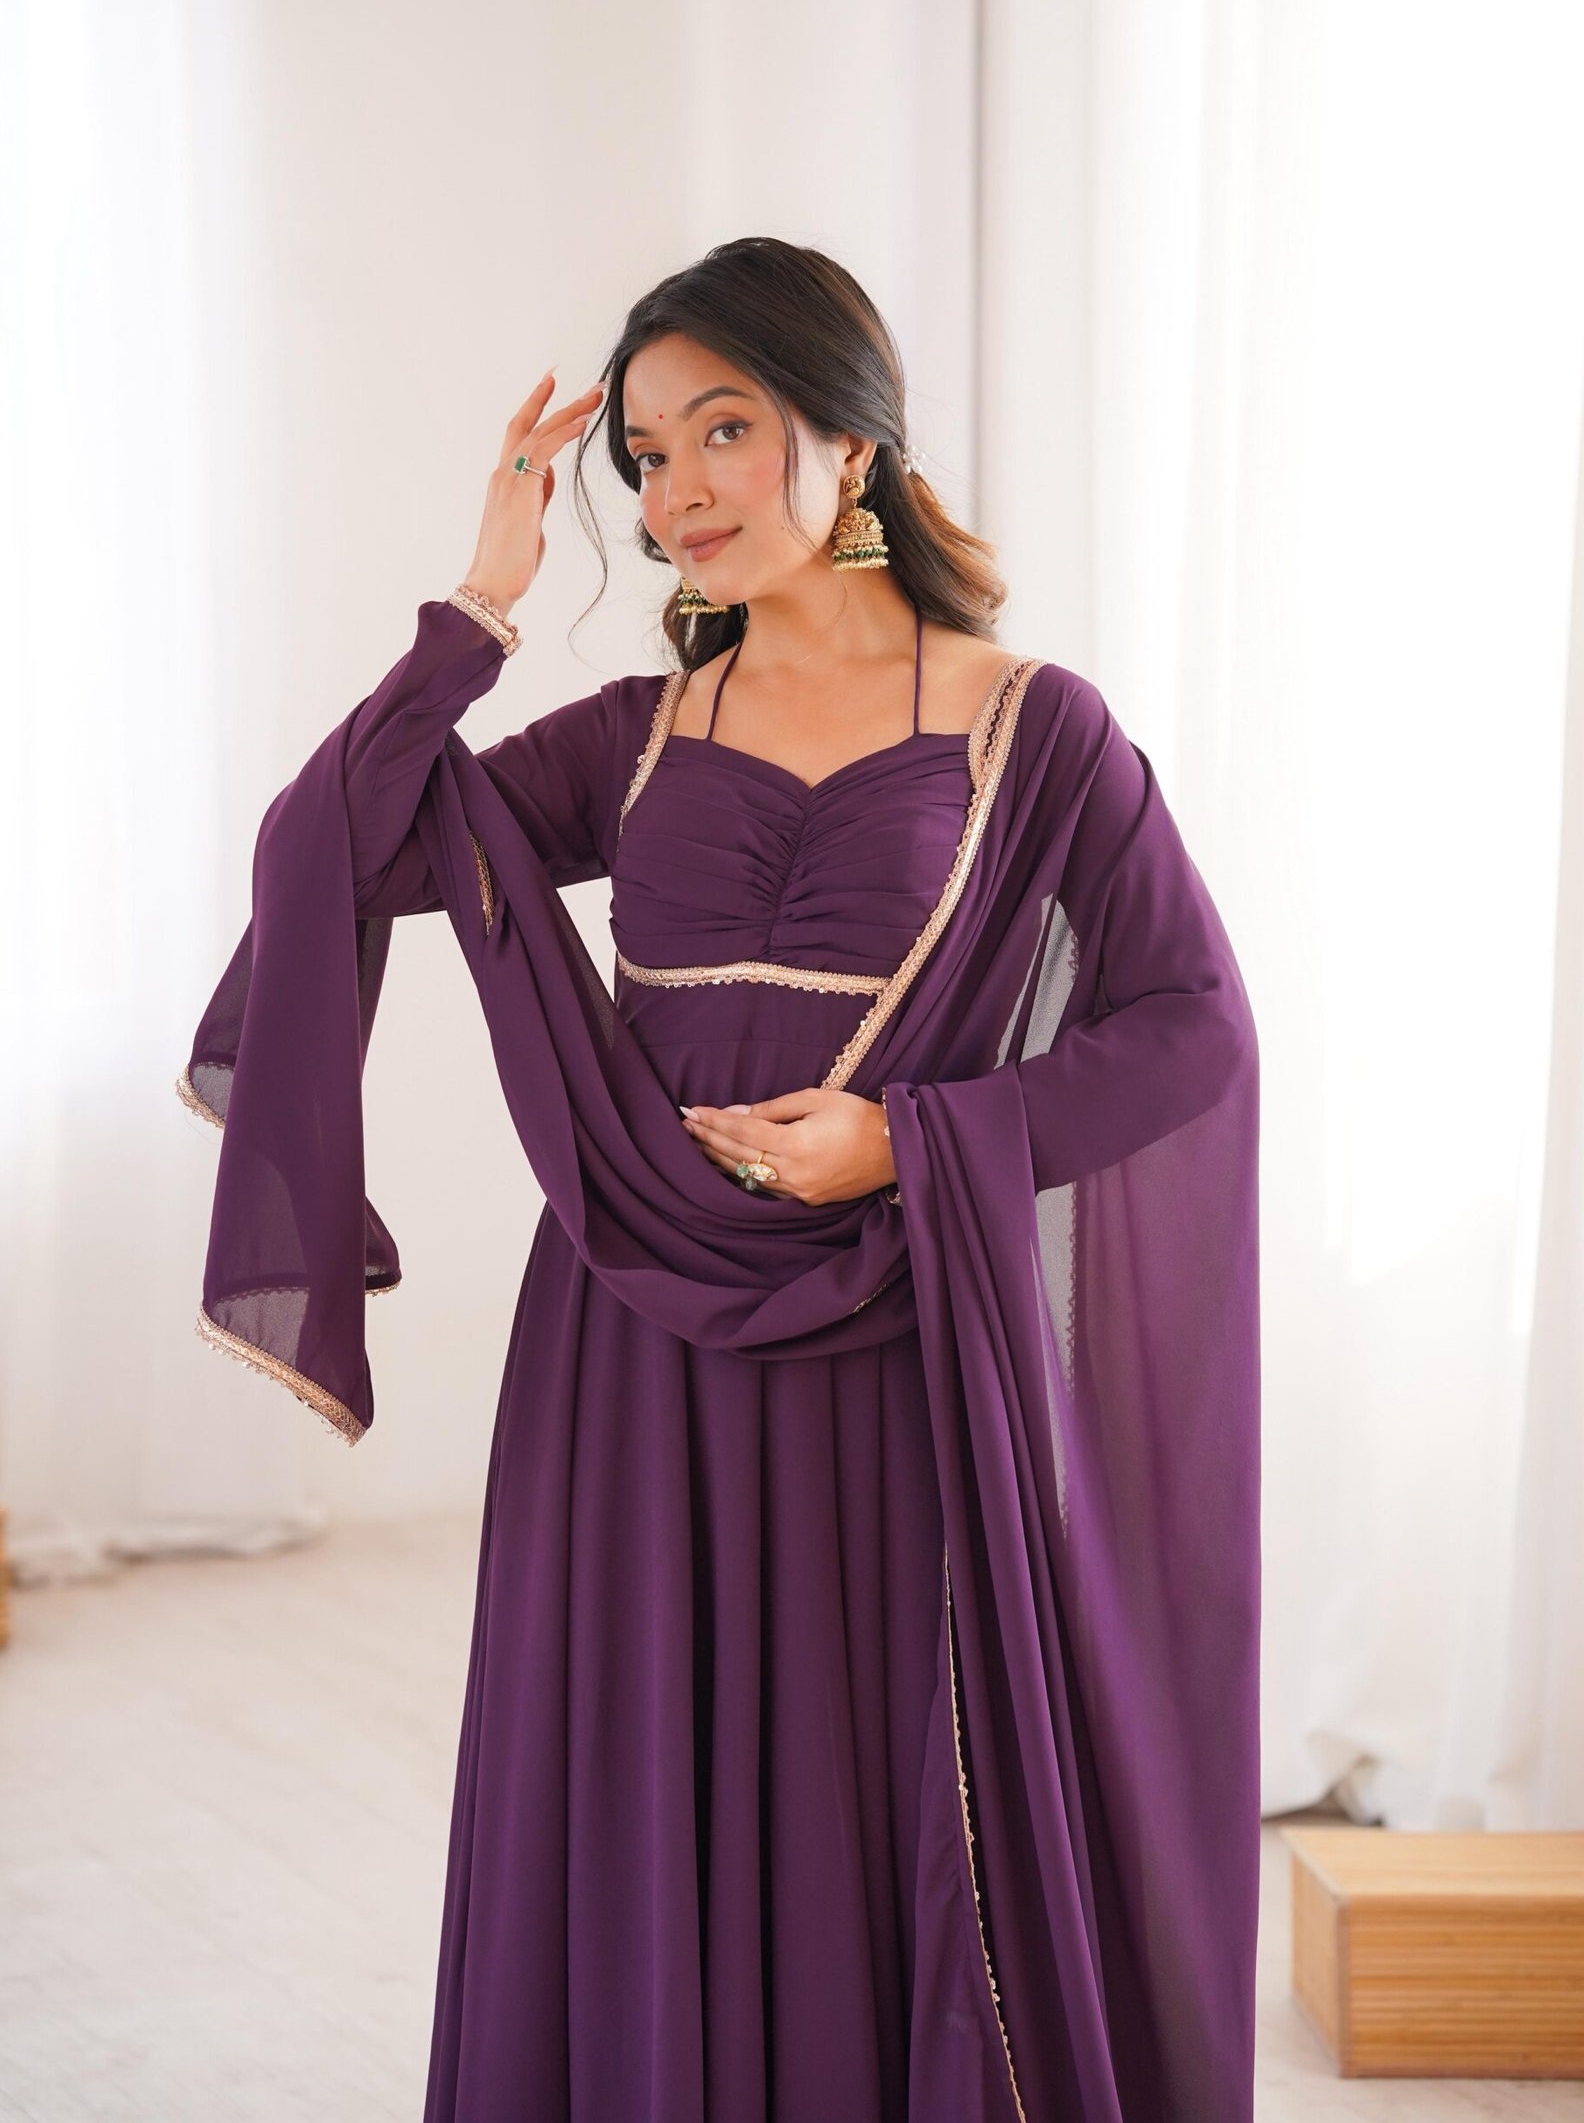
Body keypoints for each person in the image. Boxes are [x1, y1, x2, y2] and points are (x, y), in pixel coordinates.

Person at [179, 237, 1262, 2122]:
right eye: (646, 457)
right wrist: (481, 603)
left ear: (852, 442)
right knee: (642, 1765)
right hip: (630, 1336)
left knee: (880, 1786)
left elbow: (1192, 1029)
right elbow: (324, 852)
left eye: (724, 432)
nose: (675, 491)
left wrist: (913, 1142)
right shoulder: (641, 737)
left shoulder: (1034, 728)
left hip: (896, 1332)